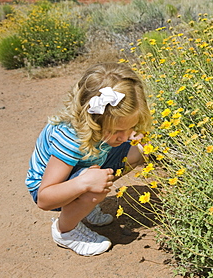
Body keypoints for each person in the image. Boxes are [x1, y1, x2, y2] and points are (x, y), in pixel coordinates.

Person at [25, 62, 151, 256]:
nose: (125, 136)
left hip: (87, 165)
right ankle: (65, 231)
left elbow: (125, 140)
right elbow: (44, 199)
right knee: (93, 185)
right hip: (49, 188)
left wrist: (129, 135)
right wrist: (83, 183)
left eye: (130, 127)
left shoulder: (103, 129)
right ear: (93, 121)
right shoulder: (70, 139)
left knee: (138, 150)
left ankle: (85, 205)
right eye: (117, 131)